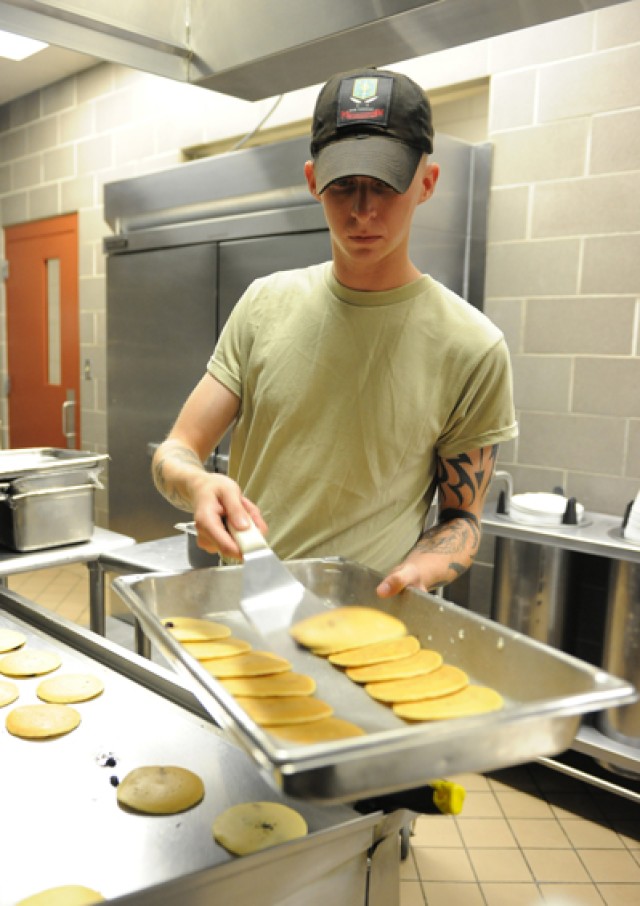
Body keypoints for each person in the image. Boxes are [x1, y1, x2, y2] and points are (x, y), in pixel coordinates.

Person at [152, 66, 518, 598]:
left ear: (427, 184)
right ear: (311, 181)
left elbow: (462, 520)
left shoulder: (473, 347)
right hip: (250, 613)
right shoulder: (264, 305)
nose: (362, 210)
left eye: (385, 185)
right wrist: (199, 482)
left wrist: (418, 569)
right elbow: (175, 451)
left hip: (373, 623)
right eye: (343, 185)